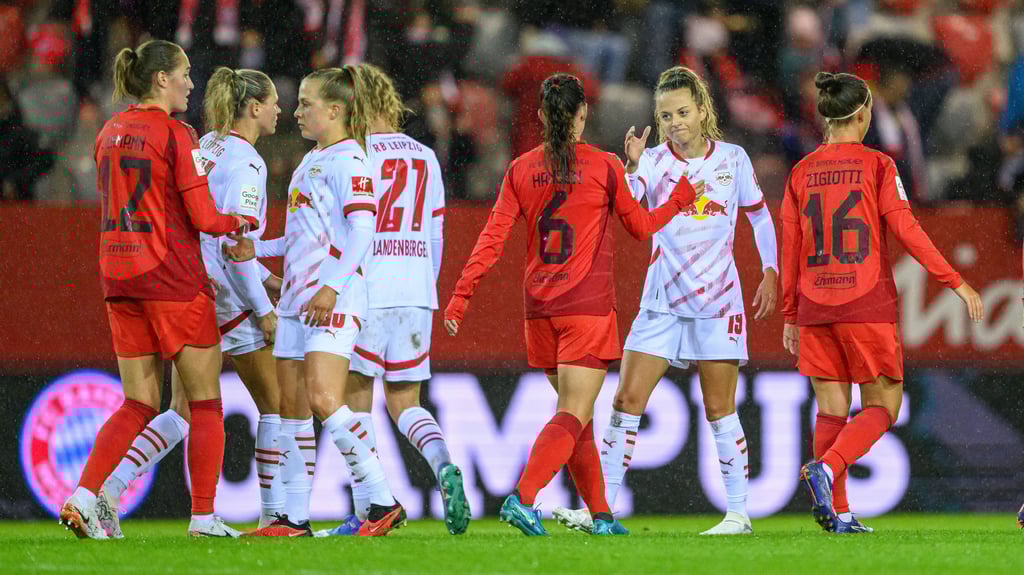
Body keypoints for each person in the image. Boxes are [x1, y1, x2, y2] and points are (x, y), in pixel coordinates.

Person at [444, 72, 699, 536]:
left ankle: (601, 515)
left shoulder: (521, 168)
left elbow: (492, 237)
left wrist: (461, 295)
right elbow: (641, 227)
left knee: (576, 416)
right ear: (583, 114)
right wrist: (679, 200)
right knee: (575, 412)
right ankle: (522, 498)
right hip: (585, 305)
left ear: (542, 116)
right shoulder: (603, 166)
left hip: (540, 309)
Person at [553, 65, 779, 536]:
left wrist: (770, 271)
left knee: (720, 408)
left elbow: (759, 217)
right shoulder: (653, 161)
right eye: (665, 115)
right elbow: (630, 209)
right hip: (661, 301)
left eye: (682, 112)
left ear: (702, 110)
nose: (675, 122)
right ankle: (601, 511)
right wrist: (632, 165)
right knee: (625, 400)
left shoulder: (733, 159)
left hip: (719, 302)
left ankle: (738, 513)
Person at [60, 39, 256, 540]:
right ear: (161, 79)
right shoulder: (176, 133)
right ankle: (205, 519)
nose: (192, 83)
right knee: (206, 402)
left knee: (138, 402)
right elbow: (205, 217)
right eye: (185, 73)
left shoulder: (109, 131)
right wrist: (239, 221)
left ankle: (84, 496)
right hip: (173, 279)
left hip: (119, 277)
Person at [784, 71, 984, 533]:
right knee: (883, 407)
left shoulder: (800, 171)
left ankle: (840, 513)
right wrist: (955, 280)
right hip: (863, 301)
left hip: (815, 304)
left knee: (832, 410)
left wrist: (792, 313)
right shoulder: (878, 166)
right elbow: (906, 228)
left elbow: (789, 246)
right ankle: (827, 468)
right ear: (862, 114)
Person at [92, 66, 286, 538]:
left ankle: (109, 493)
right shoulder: (250, 165)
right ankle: (274, 516)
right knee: (279, 406)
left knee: (181, 410)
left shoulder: (208, 147)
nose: (281, 109)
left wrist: (268, 278)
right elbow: (235, 243)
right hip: (230, 299)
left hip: (192, 288)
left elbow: (213, 236)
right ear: (254, 108)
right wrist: (263, 309)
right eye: (275, 101)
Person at [225, 66, 405, 537]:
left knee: (325, 398)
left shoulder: (350, 161)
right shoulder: (312, 160)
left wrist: (330, 286)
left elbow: (364, 229)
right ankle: (294, 517)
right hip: (295, 301)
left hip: (335, 298)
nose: (298, 111)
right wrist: (257, 250)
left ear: (335, 110)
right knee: (292, 407)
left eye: (306, 103)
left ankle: (382, 498)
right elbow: (302, 236)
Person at [318, 63, 470, 538]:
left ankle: (369, 508)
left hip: (370, 288)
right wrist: (428, 285)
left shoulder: (355, 153)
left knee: (354, 402)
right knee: (406, 402)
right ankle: (443, 463)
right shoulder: (425, 155)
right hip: (417, 290)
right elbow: (437, 229)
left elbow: (346, 227)